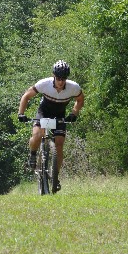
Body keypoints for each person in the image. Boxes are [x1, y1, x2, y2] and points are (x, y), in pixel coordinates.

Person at [17, 60, 84, 193]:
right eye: (58, 78)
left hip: (59, 115)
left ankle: (55, 176)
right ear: (53, 76)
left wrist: (74, 113)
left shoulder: (73, 87)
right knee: (37, 135)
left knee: (59, 144)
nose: (61, 81)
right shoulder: (44, 84)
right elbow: (26, 96)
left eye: (63, 78)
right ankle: (33, 153)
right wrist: (21, 113)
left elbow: (80, 99)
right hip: (44, 112)